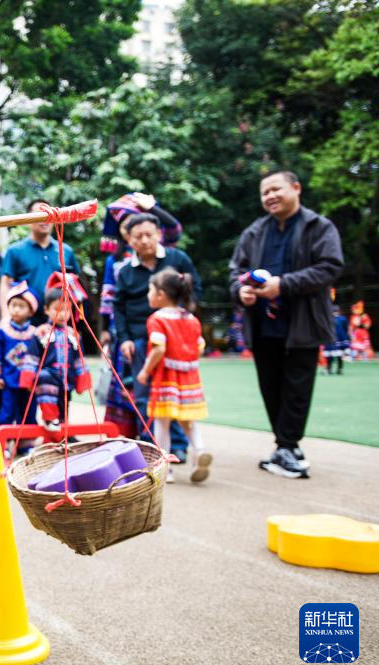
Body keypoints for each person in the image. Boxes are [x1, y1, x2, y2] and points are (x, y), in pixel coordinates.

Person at [229, 170, 343, 478]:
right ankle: (285, 447)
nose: (270, 196)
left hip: (303, 324)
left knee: (297, 388)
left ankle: (288, 446)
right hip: (264, 325)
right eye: (264, 192)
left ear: (296, 188)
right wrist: (241, 291)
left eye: (276, 189)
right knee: (271, 388)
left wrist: (284, 284)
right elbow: (235, 271)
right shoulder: (254, 232)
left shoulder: (319, 227)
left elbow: (330, 267)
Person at [113, 213, 202, 457]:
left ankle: (179, 447)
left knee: (177, 394)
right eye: (137, 236)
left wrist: (183, 320)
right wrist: (125, 339)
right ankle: (153, 448)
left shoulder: (177, 259)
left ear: (159, 235)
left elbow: (197, 290)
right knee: (144, 396)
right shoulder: (125, 271)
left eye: (149, 234)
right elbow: (118, 308)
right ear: (129, 240)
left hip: (175, 339)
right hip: (142, 340)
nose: (144, 240)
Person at [136, 268, 212, 484]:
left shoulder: (157, 319)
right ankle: (199, 450)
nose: (148, 295)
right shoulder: (191, 319)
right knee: (188, 421)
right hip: (189, 379)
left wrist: (145, 370)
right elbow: (199, 347)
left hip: (166, 380)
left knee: (162, 423)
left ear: (161, 294)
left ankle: (164, 467)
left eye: (150, 291)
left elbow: (159, 348)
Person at [0, 198, 80, 324]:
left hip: (58, 321)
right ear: (28, 220)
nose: (45, 221)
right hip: (24, 321)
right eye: (39, 215)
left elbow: (75, 286)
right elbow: (5, 284)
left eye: (49, 215)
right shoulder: (15, 251)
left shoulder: (66, 251)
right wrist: (5, 317)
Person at [32, 288, 92, 430]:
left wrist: (83, 378)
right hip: (48, 377)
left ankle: (63, 435)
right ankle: (49, 420)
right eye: (57, 309)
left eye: (67, 310)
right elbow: (33, 356)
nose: (63, 314)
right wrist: (28, 377)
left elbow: (79, 358)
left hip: (66, 378)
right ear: (46, 310)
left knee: (64, 405)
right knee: (48, 400)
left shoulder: (73, 334)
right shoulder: (41, 332)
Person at [0, 281, 40, 428]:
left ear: (30, 310)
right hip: (8, 379)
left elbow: (40, 357)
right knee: (7, 411)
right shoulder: (2, 332)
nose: (16, 309)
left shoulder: (35, 333)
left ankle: (25, 443)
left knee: (28, 410)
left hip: (29, 381)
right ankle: (3, 443)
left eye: (21, 306)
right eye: (13, 305)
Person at [323, 304, 350, 375]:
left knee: (329, 355)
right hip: (341, 340)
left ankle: (328, 370)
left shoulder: (328, 318)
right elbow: (346, 328)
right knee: (340, 355)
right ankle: (339, 369)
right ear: (339, 311)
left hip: (331, 339)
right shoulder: (343, 319)